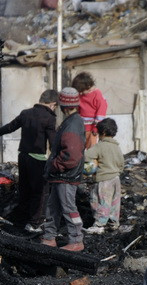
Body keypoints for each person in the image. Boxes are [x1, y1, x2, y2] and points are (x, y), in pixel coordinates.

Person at [0, 89, 59, 234]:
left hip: (23, 157)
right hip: (37, 159)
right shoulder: (49, 118)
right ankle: (35, 223)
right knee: (40, 192)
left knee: (24, 189)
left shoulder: (26, 113)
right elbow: (53, 143)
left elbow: (10, 127)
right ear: (52, 104)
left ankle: (21, 220)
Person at [40, 87, 86, 252]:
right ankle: (49, 237)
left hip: (66, 175)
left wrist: (54, 165)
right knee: (52, 208)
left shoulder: (72, 124)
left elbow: (71, 156)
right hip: (62, 175)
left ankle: (76, 240)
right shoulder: (73, 122)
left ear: (63, 105)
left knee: (68, 208)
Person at [82, 118, 124, 235]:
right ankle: (113, 223)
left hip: (104, 179)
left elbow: (86, 156)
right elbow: (121, 163)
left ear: (103, 133)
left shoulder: (100, 146)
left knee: (99, 200)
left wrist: (92, 165)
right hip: (116, 179)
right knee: (114, 203)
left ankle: (99, 225)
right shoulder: (117, 147)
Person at [71, 71, 108, 149]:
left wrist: (96, 128)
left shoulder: (97, 94)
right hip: (81, 128)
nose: (80, 93)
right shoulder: (81, 95)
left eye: (81, 91)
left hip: (92, 129)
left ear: (88, 86)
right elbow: (78, 110)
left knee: (92, 150)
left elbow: (101, 113)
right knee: (80, 149)